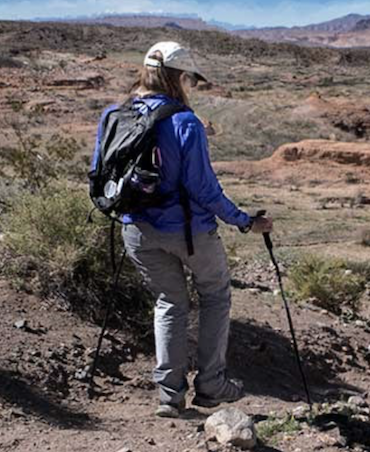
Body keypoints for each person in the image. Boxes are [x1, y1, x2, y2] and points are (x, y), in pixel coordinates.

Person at [91, 41, 271, 418]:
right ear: (180, 77)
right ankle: (211, 385)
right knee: (216, 295)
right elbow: (204, 190)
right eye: (187, 78)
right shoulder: (185, 123)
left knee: (169, 302)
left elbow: (99, 175)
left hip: (136, 230)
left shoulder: (112, 115)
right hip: (189, 232)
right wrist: (245, 222)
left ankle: (169, 397)